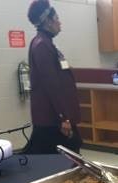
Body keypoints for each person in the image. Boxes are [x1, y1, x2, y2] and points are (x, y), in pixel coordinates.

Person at [26, 0, 82, 154]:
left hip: (55, 119)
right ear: (47, 22)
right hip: (52, 121)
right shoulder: (42, 45)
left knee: (72, 157)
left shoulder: (47, 43)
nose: (60, 22)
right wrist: (63, 118)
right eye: (56, 19)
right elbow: (52, 85)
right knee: (66, 160)